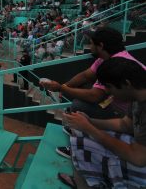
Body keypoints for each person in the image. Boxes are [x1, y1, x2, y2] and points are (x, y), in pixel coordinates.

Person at [40, 27, 145, 158]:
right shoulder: (108, 58)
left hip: (121, 114)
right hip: (125, 116)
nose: (107, 90)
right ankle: (79, 132)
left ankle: (78, 146)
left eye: (91, 43)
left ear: (101, 45)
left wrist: (61, 88)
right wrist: (65, 87)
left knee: (79, 105)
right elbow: (85, 75)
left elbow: (95, 96)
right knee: (84, 97)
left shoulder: (116, 67)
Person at [58, 58, 146, 188]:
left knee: (81, 143)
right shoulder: (138, 95)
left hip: (140, 159)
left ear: (127, 84)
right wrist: (90, 122)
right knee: (80, 135)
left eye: (109, 87)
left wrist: (89, 129)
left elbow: (138, 158)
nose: (108, 92)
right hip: (138, 151)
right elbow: (125, 124)